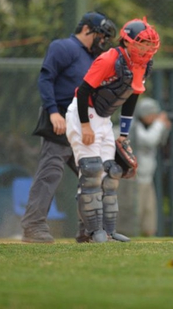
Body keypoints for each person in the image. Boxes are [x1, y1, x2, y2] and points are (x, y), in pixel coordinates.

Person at [22, 12, 115, 243]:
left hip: (84, 123)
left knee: (94, 174)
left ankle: (89, 230)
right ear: (86, 29)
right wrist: (53, 111)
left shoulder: (94, 58)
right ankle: (33, 226)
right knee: (50, 173)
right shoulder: (64, 47)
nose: (103, 41)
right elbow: (46, 79)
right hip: (61, 120)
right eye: (101, 35)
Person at [66, 17, 161, 243]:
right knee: (91, 171)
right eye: (142, 44)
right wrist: (85, 125)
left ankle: (108, 231)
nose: (146, 49)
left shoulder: (142, 64)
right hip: (83, 113)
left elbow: (131, 99)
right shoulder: (110, 58)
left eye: (150, 45)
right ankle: (92, 232)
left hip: (104, 118)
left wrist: (124, 135)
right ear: (127, 41)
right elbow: (83, 91)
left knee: (111, 173)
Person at [129, 97, 171, 237]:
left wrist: (164, 127)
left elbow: (160, 141)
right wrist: (159, 124)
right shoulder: (134, 126)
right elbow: (149, 140)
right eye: (151, 114)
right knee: (137, 210)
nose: (154, 117)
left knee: (149, 209)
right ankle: (132, 234)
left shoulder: (151, 126)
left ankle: (149, 234)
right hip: (135, 177)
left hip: (147, 176)